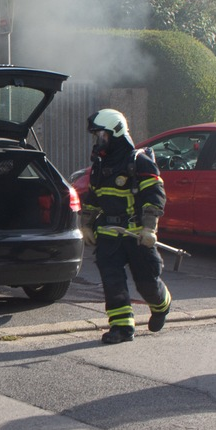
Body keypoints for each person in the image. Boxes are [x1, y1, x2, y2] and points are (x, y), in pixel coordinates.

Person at [79, 108, 172, 345]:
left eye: (101, 135)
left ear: (116, 133)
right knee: (113, 283)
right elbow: (93, 197)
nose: (98, 141)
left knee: (147, 283)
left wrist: (149, 228)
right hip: (109, 235)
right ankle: (122, 328)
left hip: (137, 234)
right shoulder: (100, 165)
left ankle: (162, 305)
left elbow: (154, 196)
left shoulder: (139, 161)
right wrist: (86, 225)